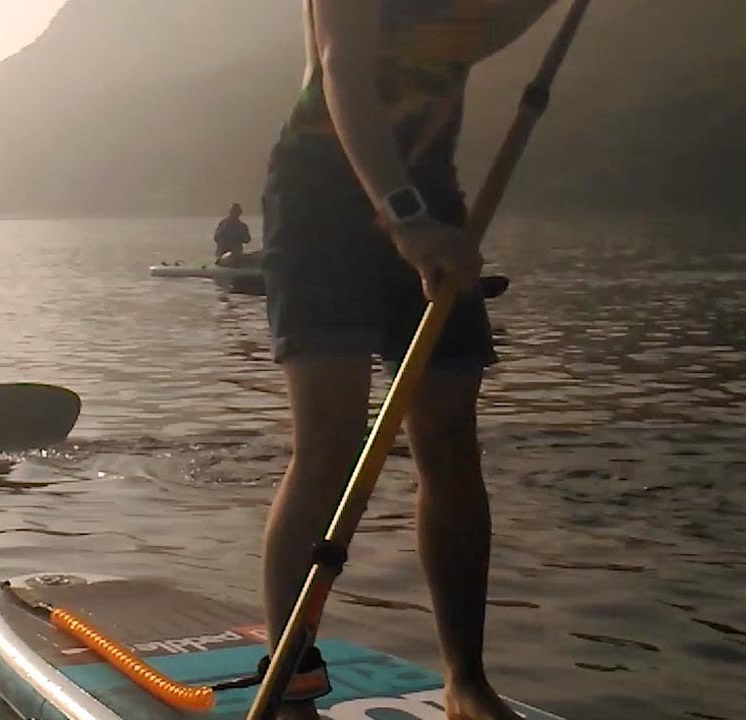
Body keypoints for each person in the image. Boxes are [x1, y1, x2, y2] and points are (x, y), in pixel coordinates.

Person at [258, 2, 557, 719]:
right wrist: (406, 218)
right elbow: (343, 71)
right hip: (323, 196)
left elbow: (488, 32)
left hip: (429, 193)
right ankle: (292, 685)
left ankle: (467, 682)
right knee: (330, 444)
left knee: (450, 441)